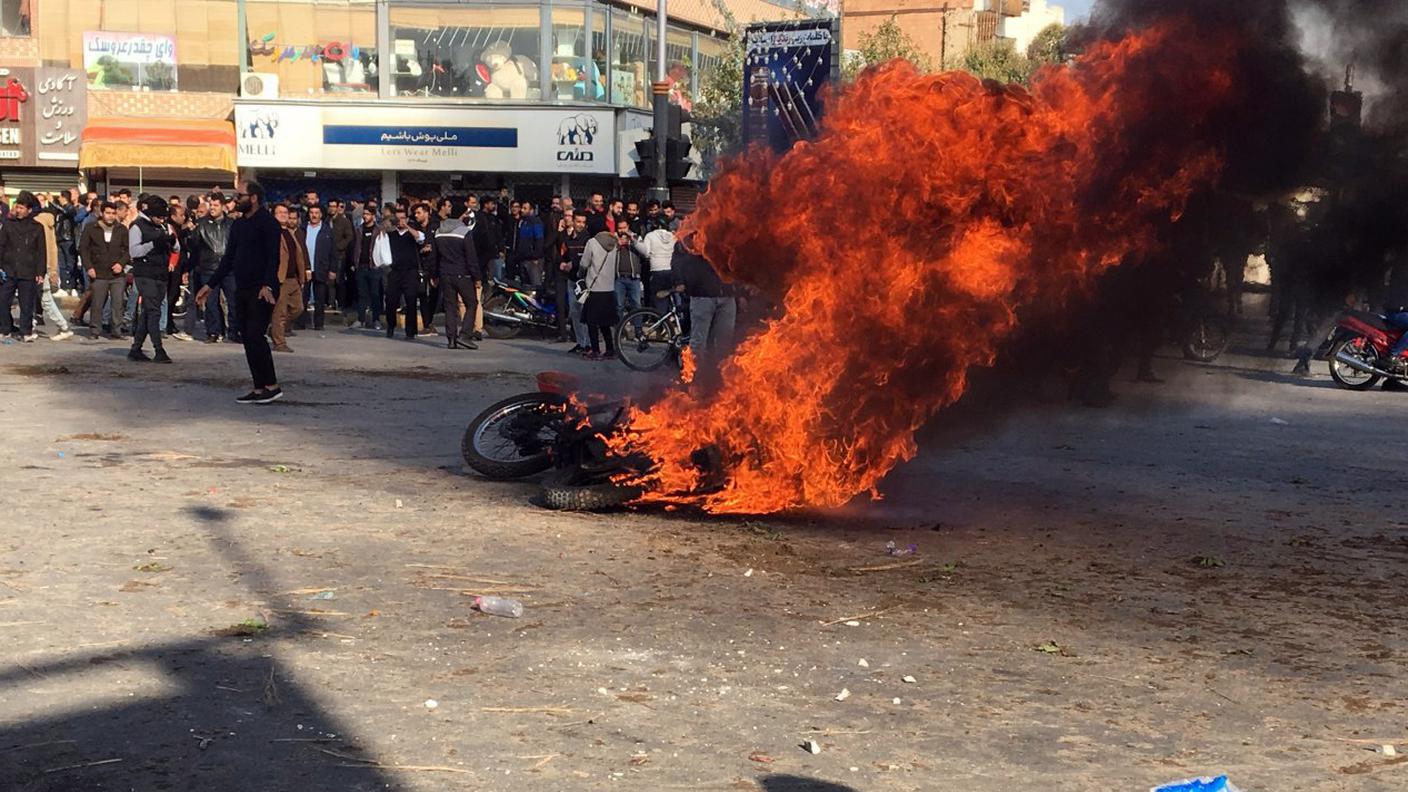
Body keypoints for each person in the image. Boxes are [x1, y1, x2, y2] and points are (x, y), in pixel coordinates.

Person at [196, 181, 285, 404]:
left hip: (262, 289)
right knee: (246, 335)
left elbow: (274, 257)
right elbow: (228, 259)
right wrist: (210, 285)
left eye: (241, 195)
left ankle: (272, 386)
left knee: (256, 335)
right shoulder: (238, 225)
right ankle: (258, 387)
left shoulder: (268, 223)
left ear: (253, 198)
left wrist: (268, 285)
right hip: (242, 287)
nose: (236, 199)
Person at [672, 237, 736, 368]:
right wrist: (680, 281)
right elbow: (678, 261)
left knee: (725, 341)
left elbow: (736, 264)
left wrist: (739, 292)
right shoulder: (690, 236)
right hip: (702, 296)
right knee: (698, 341)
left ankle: (721, 376)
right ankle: (694, 376)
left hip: (727, 296)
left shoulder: (728, 233)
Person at [126, 196, 175, 363]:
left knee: (149, 311)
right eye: (159, 216)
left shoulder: (165, 226)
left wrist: (172, 242)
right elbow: (134, 252)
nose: (162, 219)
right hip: (145, 273)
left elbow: (176, 247)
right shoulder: (137, 226)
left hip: (161, 273)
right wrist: (154, 244)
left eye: (164, 217)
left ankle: (136, 348)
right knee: (154, 311)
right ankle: (159, 349)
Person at [79, 201, 130, 340]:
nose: (111, 216)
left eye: (113, 213)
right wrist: (89, 267)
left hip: (117, 274)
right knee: (97, 302)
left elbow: (128, 250)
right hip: (98, 271)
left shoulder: (122, 229)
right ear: (101, 213)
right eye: (108, 213)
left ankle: (116, 330)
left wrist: (121, 263)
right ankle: (95, 330)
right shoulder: (91, 228)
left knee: (118, 303)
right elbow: (83, 249)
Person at [0, 192, 46, 341]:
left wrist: (41, 272)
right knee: (3, 300)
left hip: (28, 270)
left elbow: (41, 251)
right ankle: (5, 327)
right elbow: (1, 246)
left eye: (21, 207)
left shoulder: (37, 227)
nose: (18, 210)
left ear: (29, 210)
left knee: (26, 304)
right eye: (17, 207)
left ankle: (25, 331)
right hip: (8, 269)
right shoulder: (8, 225)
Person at [186, 193, 233, 341]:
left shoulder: (232, 223)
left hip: (229, 268)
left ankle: (234, 331)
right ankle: (213, 331)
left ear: (223, 206)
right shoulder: (202, 223)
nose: (212, 208)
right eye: (211, 205)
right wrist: (191, 233)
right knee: (211, 303)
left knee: (234, 301)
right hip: (208, 268)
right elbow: (193, 247)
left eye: (216, 205)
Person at [430, 212, 480, 350]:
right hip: (463, 274)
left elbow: (434, 257)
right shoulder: (464, 232)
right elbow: (471, 257)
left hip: (445, 274)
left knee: (450, 307)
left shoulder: (439, 232)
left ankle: (451, 340)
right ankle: (465, 335)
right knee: (471, 303)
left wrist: (434, 275)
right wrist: (477, 277)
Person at [269, 203, 310, 352]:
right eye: (279, 212)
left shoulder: (292, 233)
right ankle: (279, 343)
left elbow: (300, 255)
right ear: (273, 215)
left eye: (285, 212)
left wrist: (303, 274)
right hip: (280, 278)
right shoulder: (272, 232)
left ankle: (274, 329)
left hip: (294, 278)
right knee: (279, 313)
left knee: (298, 308)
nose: (283, 215)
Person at [32, 202, 74, 340]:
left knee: (44, 299)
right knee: (38, 298)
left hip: (38, 267)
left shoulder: (38, 224)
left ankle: (63, 327)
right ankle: (31, 325)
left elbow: (41, 249)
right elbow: (52, 249)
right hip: (46, 267)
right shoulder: (50, 225)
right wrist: (53, 269)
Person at [579, 227, 619, 360]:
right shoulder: (614, 244)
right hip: (609, 288)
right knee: (605, 322)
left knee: (592, 322)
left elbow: (584, 263)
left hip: (594, 287)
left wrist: (580, 274)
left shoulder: (592, 242)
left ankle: (595, 350)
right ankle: (610, 349)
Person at [384, 206, 423, 340]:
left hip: (410, 272)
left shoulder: (413, 233)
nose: (400, 221)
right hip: (395, 272)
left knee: (411, 301)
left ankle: (410, 331)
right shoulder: (390, 235)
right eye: (398, 219)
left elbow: (420, 238)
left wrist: (408, 227)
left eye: (403, 218)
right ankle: (390, 326)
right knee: (390, 300)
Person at [560, 211, 591, 353]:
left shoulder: (588, 239)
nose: (580, 225)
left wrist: (574, 263)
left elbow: (588, 259)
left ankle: (588, 344)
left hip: (584, 281)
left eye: (583, 222)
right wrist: (562, 263)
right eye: (578, 221)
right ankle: (580, 342)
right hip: (571, 280)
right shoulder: (567, 239)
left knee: (585, 312)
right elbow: (563, 255)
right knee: (574, 312)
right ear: (572, 221)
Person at [301, 203, 334, 331]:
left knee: (320, 299)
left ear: (321, 215)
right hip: (305, 268)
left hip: (321, 268)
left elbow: (333, 251)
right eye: (311, 213)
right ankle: (301, 322)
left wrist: (332, 269)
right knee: (303, 297)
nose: (314, 215)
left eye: (316, 213)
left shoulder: (327, 231)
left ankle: (319, 324)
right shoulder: (303, 229)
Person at [633, 222, 677, 314]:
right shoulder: (673, 236)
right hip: (670, 269)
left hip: (657, 270)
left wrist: (636, 243)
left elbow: (645, 252)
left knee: (658, 298)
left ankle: (661, 321)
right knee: (670, 294)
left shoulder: (650, 235)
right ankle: (672, 317)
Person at [353, 206, 384, 330]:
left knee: (375, 294)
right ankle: (361, 319)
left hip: (374, 266)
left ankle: (376, 319)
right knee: (361, 294)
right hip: (361, 266)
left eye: (367, 214)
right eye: (364, 214)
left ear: (373, 216)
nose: (365, 216)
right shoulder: (359, 229)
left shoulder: (379, 230)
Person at [613, 225, 644, 326]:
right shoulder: (613, 239)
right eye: (620, 228)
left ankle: (638, 330)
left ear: (628, 227)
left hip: (634, 278)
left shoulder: (636, 238)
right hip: (619, 279)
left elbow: (645, 252)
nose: (622, 230)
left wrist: (632, 239)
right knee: (619, 305)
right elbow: (608, 254)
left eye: (624, 227)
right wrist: (617, 244)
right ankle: (619, 329)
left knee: (637, 305)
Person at [515, 201, 545, 287]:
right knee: (525, 285)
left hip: (533, 260)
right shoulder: (523, 222)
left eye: (525, 208)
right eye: (522, 208)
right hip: (523, 258)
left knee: (535, 284)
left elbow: (539, 239)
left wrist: (536, 256)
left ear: (531, 210)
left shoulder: (536, 222)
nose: (522, 210)